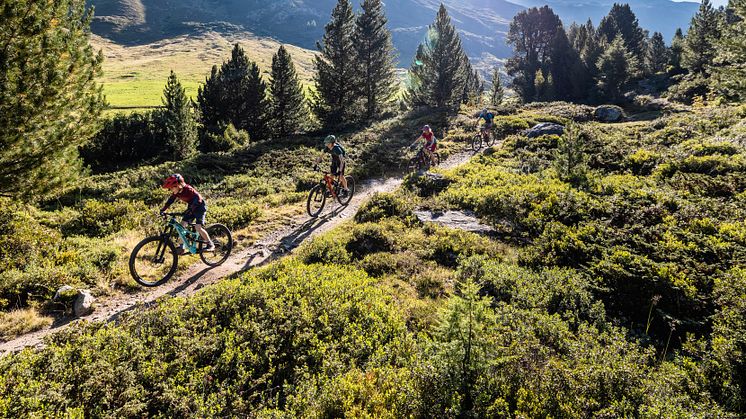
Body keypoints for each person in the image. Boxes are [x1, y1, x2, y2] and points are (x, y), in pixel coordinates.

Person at [160, 174, 214, 254]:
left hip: (200, 207)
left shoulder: (188, 189)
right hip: (191, 208)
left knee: (198, 227)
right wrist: (163, 209)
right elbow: (170, 200)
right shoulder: (177, 192)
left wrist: (191, 209)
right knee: (182, 226)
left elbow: (198, 199)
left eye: (172, 187)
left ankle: (210, 244)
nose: (171, 190)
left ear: (178, 185)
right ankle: (182, 248)